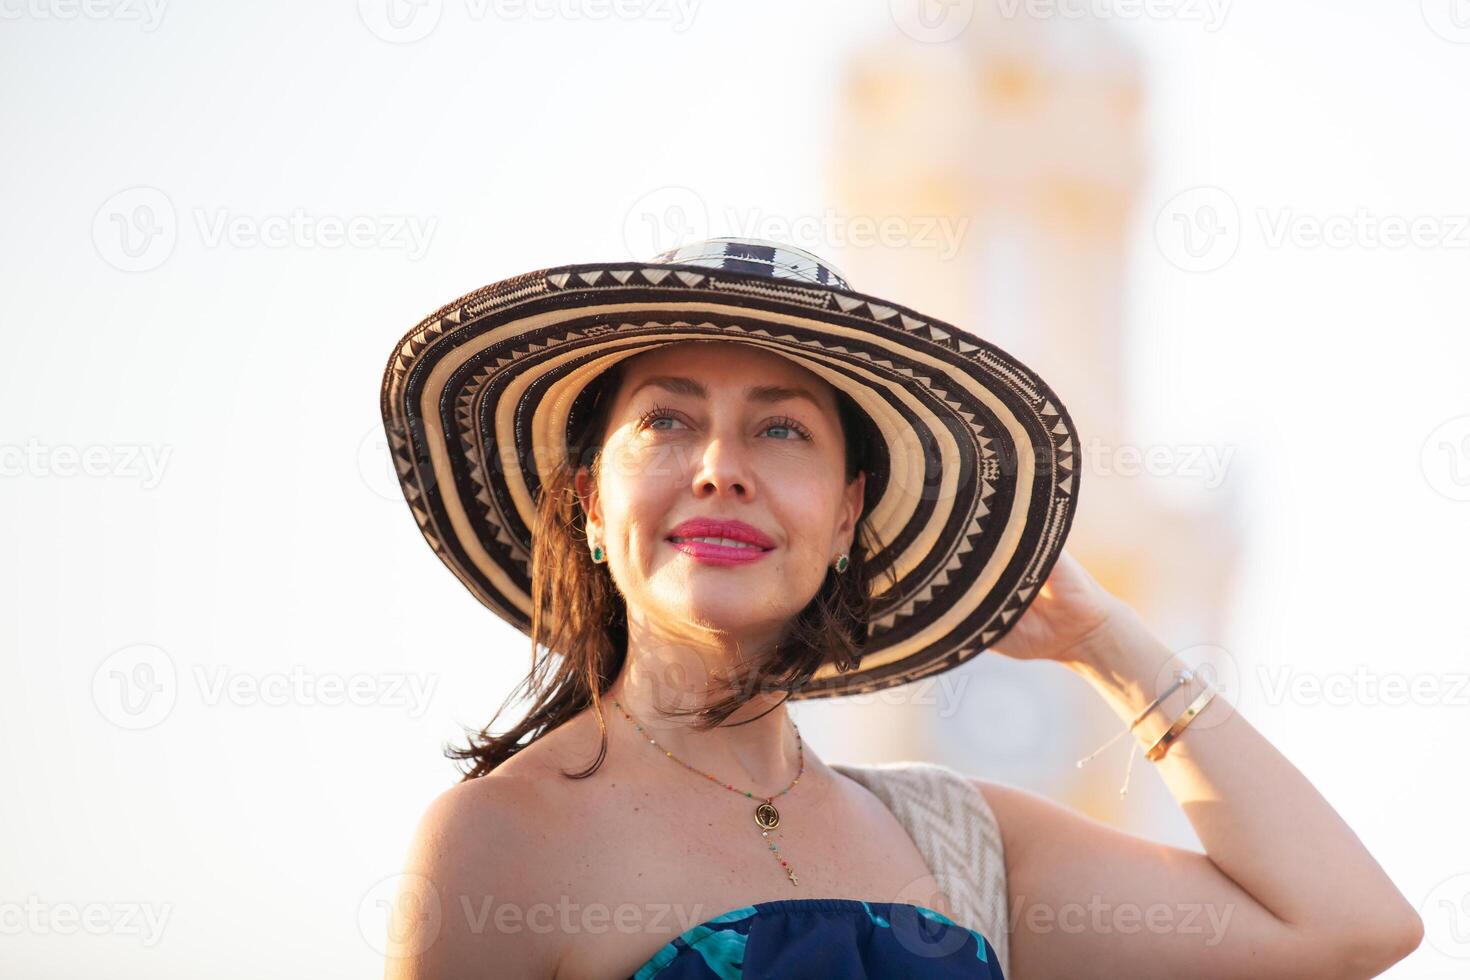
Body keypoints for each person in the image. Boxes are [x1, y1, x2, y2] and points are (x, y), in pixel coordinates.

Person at [377, 238, 1422, 978]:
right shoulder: (501, 841)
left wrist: (1110, 646)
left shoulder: (964, 839)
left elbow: (1348, 927)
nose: (719, 469)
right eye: (666, 421)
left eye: (781, 430)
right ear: (589, 503)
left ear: (845, 515)